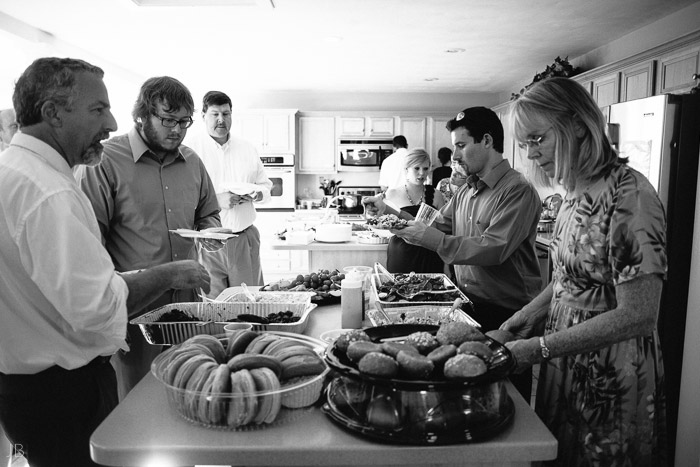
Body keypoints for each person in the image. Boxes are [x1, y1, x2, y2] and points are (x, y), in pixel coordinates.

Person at [0, 57, 211, 467]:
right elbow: (98, 306)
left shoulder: (15, 172)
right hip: (62, 390)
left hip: (27, 386)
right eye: (98, 109)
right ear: (52, 113)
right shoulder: (49, 193)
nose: (112, 123)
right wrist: (170, 272)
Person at [502, 77, 668, 466]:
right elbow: (566, 280)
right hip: (564, 356)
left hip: (609, 372)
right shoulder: (573, 193)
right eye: (525, 144)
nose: (530, 154)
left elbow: (639, 315)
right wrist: (520, 320)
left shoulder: (630, 195)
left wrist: (540, 348)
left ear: (577, 124)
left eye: (538, 139)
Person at [363, 106, 542, 399]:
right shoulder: (466, 191)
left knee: (507, 396)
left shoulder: (517, 190)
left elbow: (493, 248)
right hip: (468, 304)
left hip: (508, 312)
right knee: (468, 389)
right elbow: (433, 225)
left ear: (486, 140)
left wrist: (433, 240)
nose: (454, 155)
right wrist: (388, 211)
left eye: (461, 145)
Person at [78, 76, 227, 401]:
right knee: (139, 403)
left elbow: (208, 212)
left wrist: (210, 231)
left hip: (188, 306)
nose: (177, 130)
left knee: (189, 394)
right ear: (141, 116)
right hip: (134, 311)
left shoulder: (193, 162)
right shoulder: (104, 162)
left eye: (184, 122)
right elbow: (90, 246)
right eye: (167, 120)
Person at [185, 90, 272, 289]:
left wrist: (259, 193)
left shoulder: (248, 148)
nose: (221, 119)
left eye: (226, 113)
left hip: (244, 239)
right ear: (203, 116)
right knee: (212, 308)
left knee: (249, 302)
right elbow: (180, 199)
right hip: (207, 244)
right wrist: (216, 200)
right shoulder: (189, 150)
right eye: (215, 114)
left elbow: (266, 186)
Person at [385, 148, 445, 273]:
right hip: (401, 254)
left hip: (430, 254)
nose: (422, 173)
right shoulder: (392, 194)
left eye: (425, 168)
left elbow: (444, 230)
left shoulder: (437, 195)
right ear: (406, 169)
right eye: (416, 168)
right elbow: (383, 226)